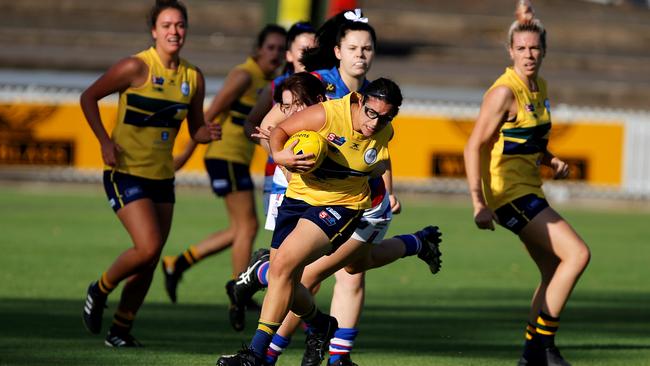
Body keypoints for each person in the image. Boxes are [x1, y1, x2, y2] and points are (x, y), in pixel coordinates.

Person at [216, 77, 403, 366]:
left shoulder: (383, 131)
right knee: (286, 279)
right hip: (297, 198)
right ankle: (320, 324)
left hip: (342, 206)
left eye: (385, 117)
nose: (375, 123)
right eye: (371, 113)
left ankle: (254, 355)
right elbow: (279, 131)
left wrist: (389, 193)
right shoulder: (327, 114)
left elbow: (380, 162)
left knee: (282, 267)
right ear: (360, 101)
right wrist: (281, 155)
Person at [80, 0, 220, 347]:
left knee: (151, 256)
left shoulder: (192, 77)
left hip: (162, 178)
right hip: (125, 172)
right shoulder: (135, 67)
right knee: (149, 246)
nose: (175, 31)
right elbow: (88, 97)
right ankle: (99, 289)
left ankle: (120, 331)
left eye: (180, 25)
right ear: (154, 31)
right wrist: (104, 142)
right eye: (167, 25)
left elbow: (196, 128)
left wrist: (205, 135)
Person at [463, 5, 590, 365]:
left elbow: (523, 137)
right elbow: (474, 145)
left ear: (544, 51)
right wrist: (478, 201)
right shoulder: (504, 92)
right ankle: (542, 349)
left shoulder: (540, 87)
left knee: (554, 269)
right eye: (521, 48)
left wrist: (550, 159)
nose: (528, 54)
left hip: (529, 190)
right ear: (510, 52)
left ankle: (530, 355)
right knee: (578, 255)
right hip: (508, 194)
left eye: (534, 48)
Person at [160, 24, 286, 310]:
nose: (276, 54)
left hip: (236, 158)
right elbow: (207, 114)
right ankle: (238, 290)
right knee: (248, 225)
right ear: (257, 49)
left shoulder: (270, 82)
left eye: (281, 49)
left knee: (239, 229)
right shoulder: (244, 75)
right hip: (223, 155)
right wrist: (184, 156)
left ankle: (177, 264)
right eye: (271, 48)